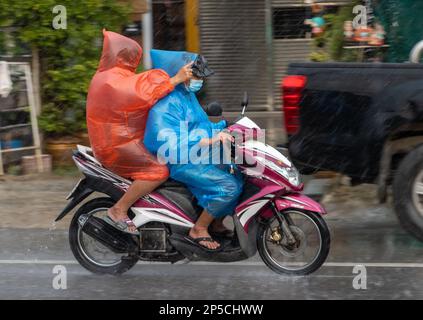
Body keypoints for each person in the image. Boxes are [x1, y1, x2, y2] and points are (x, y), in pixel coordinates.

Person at [86, 30, 193, 234]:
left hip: (120, 141)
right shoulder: (111, 80)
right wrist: (175, 79)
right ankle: (119, 209)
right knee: (158, 171)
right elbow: (140, 94)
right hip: (117, 147)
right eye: (133, 57)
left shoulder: (108, 76)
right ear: (124, 56)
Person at [144, 50, 243, 251]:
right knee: (229, 187)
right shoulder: (166, 105)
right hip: (180, 160)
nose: (200, 81)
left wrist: (226, 126)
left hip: (195, 154)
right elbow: (172, 141)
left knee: (239, 173)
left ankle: (215, 222)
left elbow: (200, 127)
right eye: (196, 76)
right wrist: (211, 139)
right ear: (183, 74)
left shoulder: (187, 97)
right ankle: (199, 228)